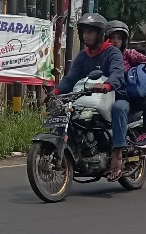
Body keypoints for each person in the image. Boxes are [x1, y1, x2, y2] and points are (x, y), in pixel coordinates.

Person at [48, 13, 126, 182]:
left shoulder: (112, 52)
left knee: (119, 108)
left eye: (90, 32)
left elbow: (117, 74)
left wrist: (106, 85)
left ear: (100, 34)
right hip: (88, 98)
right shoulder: (83, 55)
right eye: (84, 32)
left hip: (111, 96)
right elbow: (71, 78)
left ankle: (117, 155)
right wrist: (54, 92)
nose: (86, 35)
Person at [105, 20, 146, 148]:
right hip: (104, 97)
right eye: (111, 38)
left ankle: (145, 134)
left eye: (118, 38)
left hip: (128, 97)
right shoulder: (100, 56)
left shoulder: (129, 54)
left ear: (123, 41)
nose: (115, 41)